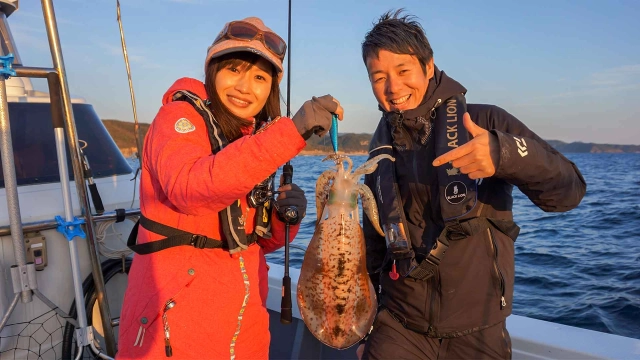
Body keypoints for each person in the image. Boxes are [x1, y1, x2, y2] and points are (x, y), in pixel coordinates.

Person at [357, 10, 586, 360]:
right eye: (379, 76)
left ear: (428, 66)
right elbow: (374, 244)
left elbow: (569, 192)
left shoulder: (484, 121)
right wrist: (367, 328)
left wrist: (504, 153)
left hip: (479, 330)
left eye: (403, 71)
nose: (393, 87)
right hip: (398, 326)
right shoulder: (381, 150)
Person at [117, 16, 343, 359]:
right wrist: (290, 131)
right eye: (234, 69)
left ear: (270, 89)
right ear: (213, 70)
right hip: (175, 334)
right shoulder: (178, 119)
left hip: (245, 331)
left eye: (259, 78)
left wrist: (286, 218)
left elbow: (256, 242)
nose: (244, 86)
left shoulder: (251, 140)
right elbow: (191, 188)